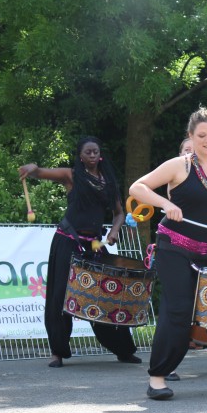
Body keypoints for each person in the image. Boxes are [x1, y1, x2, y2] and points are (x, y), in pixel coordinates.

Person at [129, 107, 207, 399]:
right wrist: (165, 203)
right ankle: (158, 378)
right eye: (202, 135)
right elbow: (137, 187)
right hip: (174, 247)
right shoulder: (179, 165)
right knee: (178, 311)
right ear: (191, 136)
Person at [18, 137, 140, 368]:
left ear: (100, 154)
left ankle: (123, 350)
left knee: (102, 296)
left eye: (95, 151)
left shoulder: (108, 181)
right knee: (60, 296)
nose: (93, 155)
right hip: (67, 241)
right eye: (88, 152)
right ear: (81, 156)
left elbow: (119, 212)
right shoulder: (71, 175)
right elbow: (42, 172)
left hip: (92, 246)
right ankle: (58, 351)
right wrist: (33, 169)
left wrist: (113, 232)